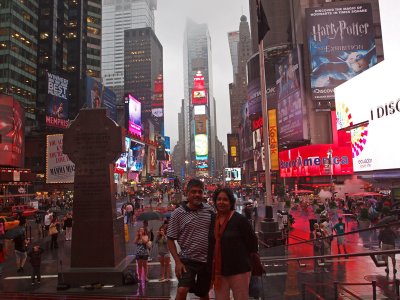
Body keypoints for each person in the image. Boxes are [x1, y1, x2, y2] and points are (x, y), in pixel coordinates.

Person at [167, 178, 215, 300]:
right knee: (182, 290)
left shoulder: (209, 210)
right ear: (187, 193)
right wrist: (177, 262)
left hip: (206, 261)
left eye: (200, 192)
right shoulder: (177, 213)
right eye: (193, 192)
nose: (197, 194)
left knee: (204, 293)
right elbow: (170, 239)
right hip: (187, 261)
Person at [212, 188, 258, 299]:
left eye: (225, 199)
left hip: (239, 270)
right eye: (219, 199)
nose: (221, 202)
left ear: (231, 202)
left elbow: (252, 243)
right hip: (219, 271)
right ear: (215, 201)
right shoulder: (213, 220)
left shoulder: (240, 220)